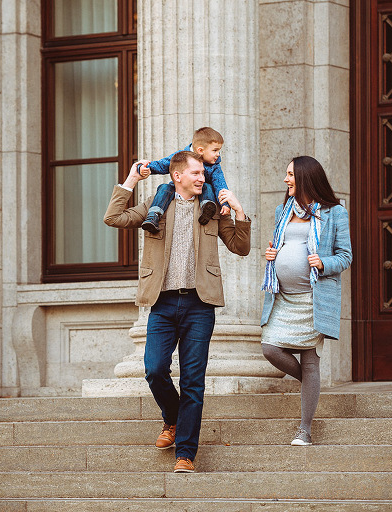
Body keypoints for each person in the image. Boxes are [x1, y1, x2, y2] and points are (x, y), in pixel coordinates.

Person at [104, 151, 251, 473]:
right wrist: (131, 179)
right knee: (154, 369)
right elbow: (113, 218)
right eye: (197, 172)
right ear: (177, 176)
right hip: (163, 303)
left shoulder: (212, 209)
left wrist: (238, 211)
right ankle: (172, 418)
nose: (203, 177)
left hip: (200, 305)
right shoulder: (156, 206)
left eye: (204, 173)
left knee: (193, 381)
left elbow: (240, 247)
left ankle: (185, 453)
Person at [260, 156, 352, 446]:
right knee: (270, 348)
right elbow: (282, 243)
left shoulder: (334, 213)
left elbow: (346, 256)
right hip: (283, 297)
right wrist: (272, 255)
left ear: (305, 178)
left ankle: (305, 429)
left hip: (314, 299)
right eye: (286, 174)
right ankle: (310, 386)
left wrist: (323, 262)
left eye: (290, 175)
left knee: (311, 362)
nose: (286, 180)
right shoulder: (282, 211)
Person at [138, 127, 231, 233]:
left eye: (219, 150)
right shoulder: (182, 156)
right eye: (215, 150)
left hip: (202, 192)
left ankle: (207, 208)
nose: (218, 154)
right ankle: (153, 215)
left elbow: (220, 185)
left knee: (207, 186)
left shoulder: (214, 166)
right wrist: (147, 167)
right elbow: (164, 164)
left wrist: (225, 204)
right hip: (179, 188)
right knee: (164, 188)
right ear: (200, 150)